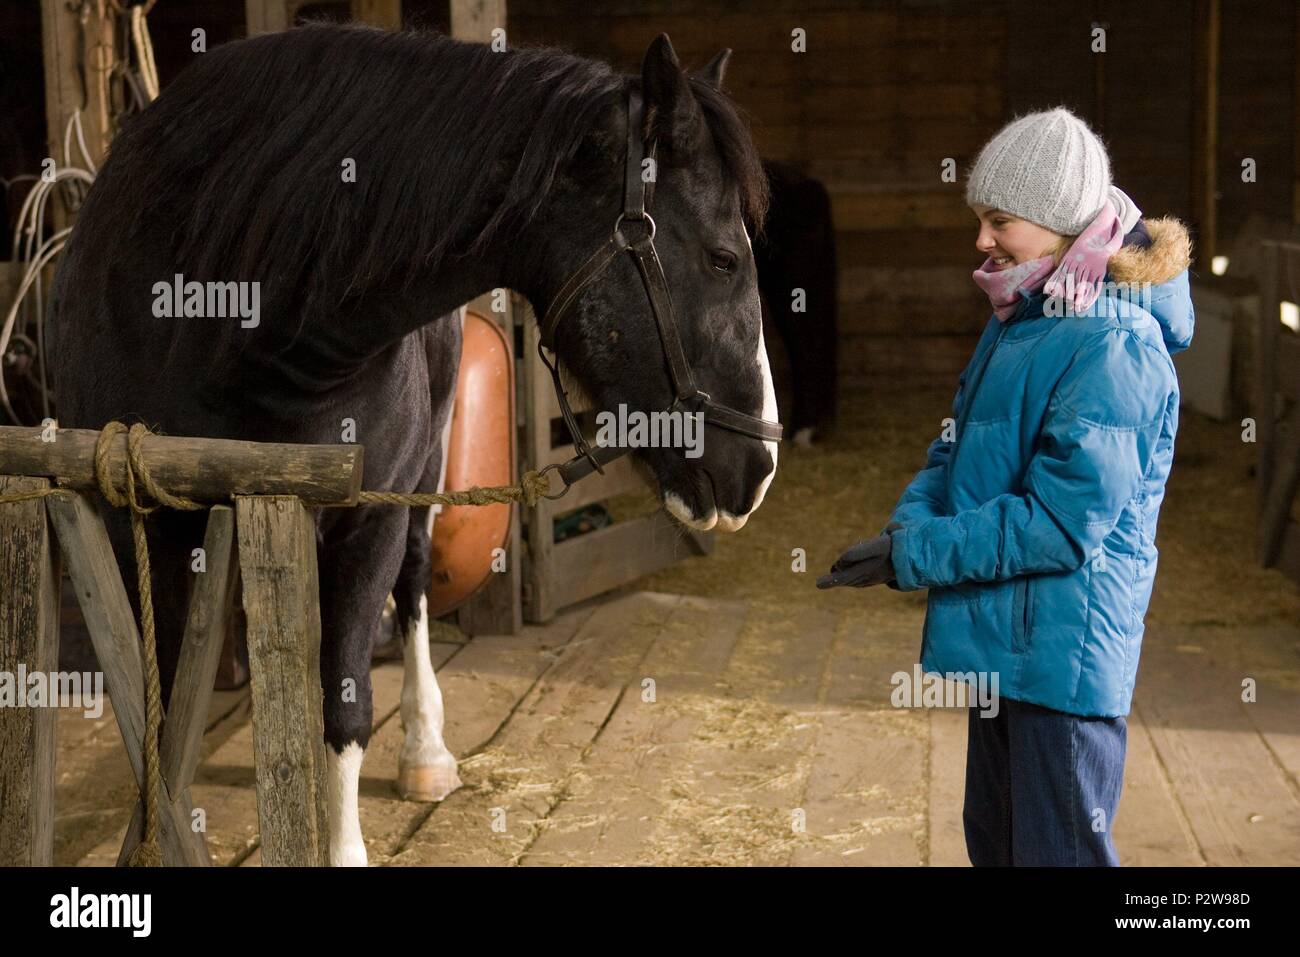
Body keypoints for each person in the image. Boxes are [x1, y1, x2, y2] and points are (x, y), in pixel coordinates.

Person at [817, 107, 1195, 866]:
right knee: (996, 844)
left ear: (1060, 223)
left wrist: (917, 554)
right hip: (1004, 642)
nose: (982, 241)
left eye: (999, 221)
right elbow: (955, 443)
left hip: (1062, 661)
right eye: (979, 220)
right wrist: (905, 531)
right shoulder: (1025, 313)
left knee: (1057, 853)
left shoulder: (1116, 342)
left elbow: (1059, 524)